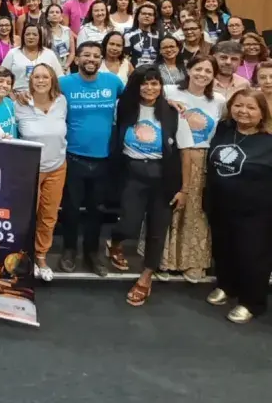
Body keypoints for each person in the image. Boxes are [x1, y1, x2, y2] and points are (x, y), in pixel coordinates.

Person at [104, 66, 194, 305]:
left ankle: (145, 277)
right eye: (145, 83)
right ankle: (114, 242)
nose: (149, 88)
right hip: (132, 174)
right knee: (129, 224)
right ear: (136, 85)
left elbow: (185, 153)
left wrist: (184, 189)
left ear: (161, 87)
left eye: (155, 83)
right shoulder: (123, 108)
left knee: (157, 230)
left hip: (164, 177)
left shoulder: (173, 112)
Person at [205, 89, 272, 323]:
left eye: (251, 107)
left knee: (252, 256)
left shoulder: (268, 141)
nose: (243, 111)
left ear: (262, 113)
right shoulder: (224, 130)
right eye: (238, 105)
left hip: (256, 212)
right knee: (223, 250)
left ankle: (252, 301)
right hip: (221, 205)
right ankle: (227, 286)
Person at [58, 42, 124, 275]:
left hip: (104, 159)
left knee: (97, 210)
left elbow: (137, 102)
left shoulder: (114, 82)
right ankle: (68, 250)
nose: (92, 59)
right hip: (72, 157)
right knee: (71, 208)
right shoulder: (63, 83)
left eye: (96, 56)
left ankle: (91, 253)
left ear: (101, 60)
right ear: (77, 59)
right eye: (86, 55)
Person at [159, 55, 225, 281]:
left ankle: (193, 261)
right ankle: (164, 260)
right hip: (173, 156)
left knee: (197, 212)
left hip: (205, 159)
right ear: (188, 69)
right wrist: (168, 103)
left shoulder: (218, 100)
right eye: (198, 69)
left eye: (208, 71)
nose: (202, 75)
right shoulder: (169, 91)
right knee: (171, 207)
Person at [15, 64, 67, 282]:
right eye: (36, 76)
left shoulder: (62, 102)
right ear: (30, 80)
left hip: (57, 167)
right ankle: (22, 255)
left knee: (48, 216)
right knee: (26, 217)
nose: (41, 80)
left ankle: (41, 256)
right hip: (30, 170)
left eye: (45, 76)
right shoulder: (19, 103)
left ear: (52, 79)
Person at [3, 24, 64, 93]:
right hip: (18, 95)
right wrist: (12, 95)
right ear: (23, 37)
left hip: (45, 95)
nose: (31, 37)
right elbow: (1, 76)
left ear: (40, 37)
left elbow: (60, 77)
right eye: (27, 34)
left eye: (34, 35)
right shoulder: (13, 53)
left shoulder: (49, 54)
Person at [124, 3, 161, 68]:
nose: (147, 16)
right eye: (143, 13)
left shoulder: (159, 36)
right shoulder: (128, 35)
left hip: (154, 73)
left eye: (150, 14)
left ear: (154, 18)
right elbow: (125, 58)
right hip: (134, 72)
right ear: (137, 16)